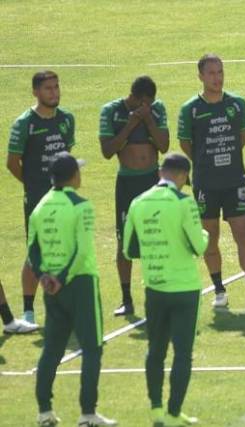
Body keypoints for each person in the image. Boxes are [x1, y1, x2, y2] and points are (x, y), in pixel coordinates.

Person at [29, 153, 117, 426]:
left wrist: (45, 277)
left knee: (52, 350)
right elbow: (82, 250)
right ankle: (87, 414)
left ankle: (45, 412)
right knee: (92, 348)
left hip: (51, 288)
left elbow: (32, 251)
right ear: (72, 176)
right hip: (79, 283)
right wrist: (63, 277)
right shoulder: (81, 205)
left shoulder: (40, 207)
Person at [122, 153, 207, 426]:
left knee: (155, 350)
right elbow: (199, 246)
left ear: (161, 171)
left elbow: (129, 249)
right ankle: (173, 413)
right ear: (181, 175)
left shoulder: (138, 202)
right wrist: (203, 235)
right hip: (184, 288)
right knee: (182, 352)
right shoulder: (184, 202)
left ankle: (156, 410)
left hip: (154, 286)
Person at [178, 54, 245, 309]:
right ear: (201, 76)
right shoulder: (190, 110)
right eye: (211, 73)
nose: (217, 78)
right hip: (206, 184)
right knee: (210, 237)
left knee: (243, 236)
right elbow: (186, 144)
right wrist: (204, 160)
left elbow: (243, 137)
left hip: (234, 181)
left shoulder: (237, 105)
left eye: (220, 72)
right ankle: (219, 289)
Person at [7, 70, 75, 326]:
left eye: (56, 87)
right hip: (37, 200)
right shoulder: (25, 123)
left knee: (64, 250)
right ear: (35, 91)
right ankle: (28, 311)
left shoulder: (67, 119)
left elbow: (67, 157)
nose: (54, 92)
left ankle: (63, 306)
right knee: (36, 253)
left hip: (64, 199)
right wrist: (33, 185)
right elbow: (12, 163)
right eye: (48, 88)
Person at [99, 75, 170, 316]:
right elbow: (107, 151)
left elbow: (163, 145)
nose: (149, 107)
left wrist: (148, 119)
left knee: (157, 238)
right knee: (124, 242)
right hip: (127, 183)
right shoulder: (111, 111)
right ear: (137, 99)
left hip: (152, 181)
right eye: (146, 104)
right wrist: (130, 126)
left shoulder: (156, 110)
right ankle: (126, 298)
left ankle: (159, 294)